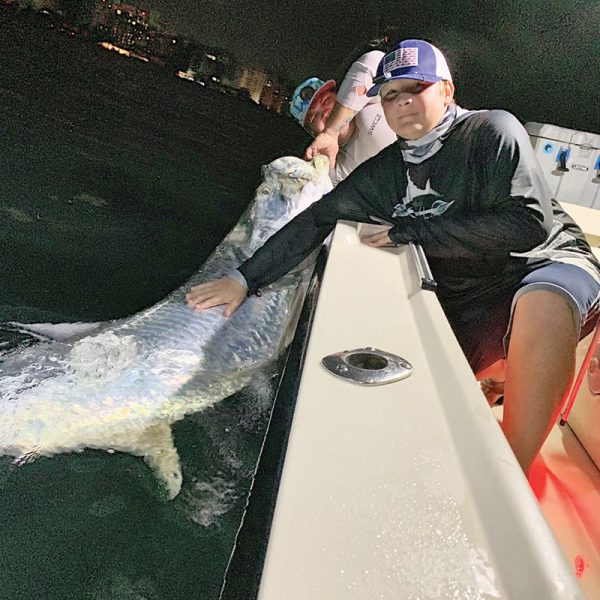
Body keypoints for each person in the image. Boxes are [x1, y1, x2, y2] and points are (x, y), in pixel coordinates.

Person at [186, 39, 600, 477]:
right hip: (473, 294)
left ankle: (509, 475)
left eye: (415, 88)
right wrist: (244, 279)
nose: (403, 103)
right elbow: (316, 220)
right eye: (390, 95)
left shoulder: (491, 132)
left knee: (542, 303)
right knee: (406, 387)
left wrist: (412, 230)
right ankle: (501, 371)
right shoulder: (385, 172)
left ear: (447, 90)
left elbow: (527, 224)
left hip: (548, 264)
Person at [289, 49, 397, 186]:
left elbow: (375, 60)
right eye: (314, 117)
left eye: (325, 101)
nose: (325, 113)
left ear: (340, 95)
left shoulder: (374, 99)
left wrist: (331, 132)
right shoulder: (337, 169)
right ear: (313, 133)